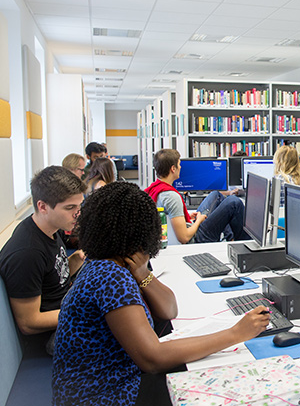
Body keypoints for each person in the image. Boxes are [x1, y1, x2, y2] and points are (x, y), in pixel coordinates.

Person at [52, 182, 270, 406]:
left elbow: (169, 310)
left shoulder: (109, 263)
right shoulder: (110, 277)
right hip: (105, 395)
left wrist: (142, 272)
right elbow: (153, 359)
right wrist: (236, 333)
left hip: (107, 382)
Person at [0, 166, 87, 354]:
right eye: (70, 208)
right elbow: (29, 323)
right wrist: (83, 311)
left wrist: (75, 260)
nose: (77, 214)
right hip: (52, 337)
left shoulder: (51, 230)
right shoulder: (26, 253)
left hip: (65, 309)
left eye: (79, 206)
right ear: (42, 206)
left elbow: (53, 278)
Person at [144, 149, 248, 244]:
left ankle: (230, 237)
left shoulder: (155, 189)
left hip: (190, 226)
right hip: (197, 237)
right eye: (179, 164)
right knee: (234, 203)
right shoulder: (172, 197)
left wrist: (187, 216)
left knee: (216, 194)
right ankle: (245, 244)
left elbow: (173, 218)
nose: (180, 167)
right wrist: (198, 221)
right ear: (173, 169)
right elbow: (184, 238)